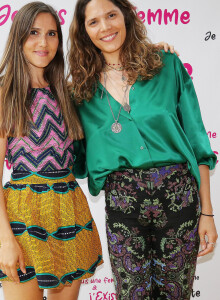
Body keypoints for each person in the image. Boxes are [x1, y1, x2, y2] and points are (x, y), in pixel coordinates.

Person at [68, 0, 218, 299]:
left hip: (178, 196)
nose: (106, 27)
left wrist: (208, 213)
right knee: (131, 295)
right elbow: (77, 159)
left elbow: (197, 141)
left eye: (111, 15)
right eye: (93, 21)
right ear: (84, 32)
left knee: (176, 294)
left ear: (126, 16)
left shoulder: (166, 64)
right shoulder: (79, 91)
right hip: (123, 203)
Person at [0, 2, 103, 300]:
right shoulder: (2, 96)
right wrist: (7, 239)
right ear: (19, 37)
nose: (43, 42)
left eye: (51, 34)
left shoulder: (68, 93)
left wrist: (158, 52)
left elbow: (116, 76)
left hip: (68, 211)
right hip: (21, 217)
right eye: (34, 32)